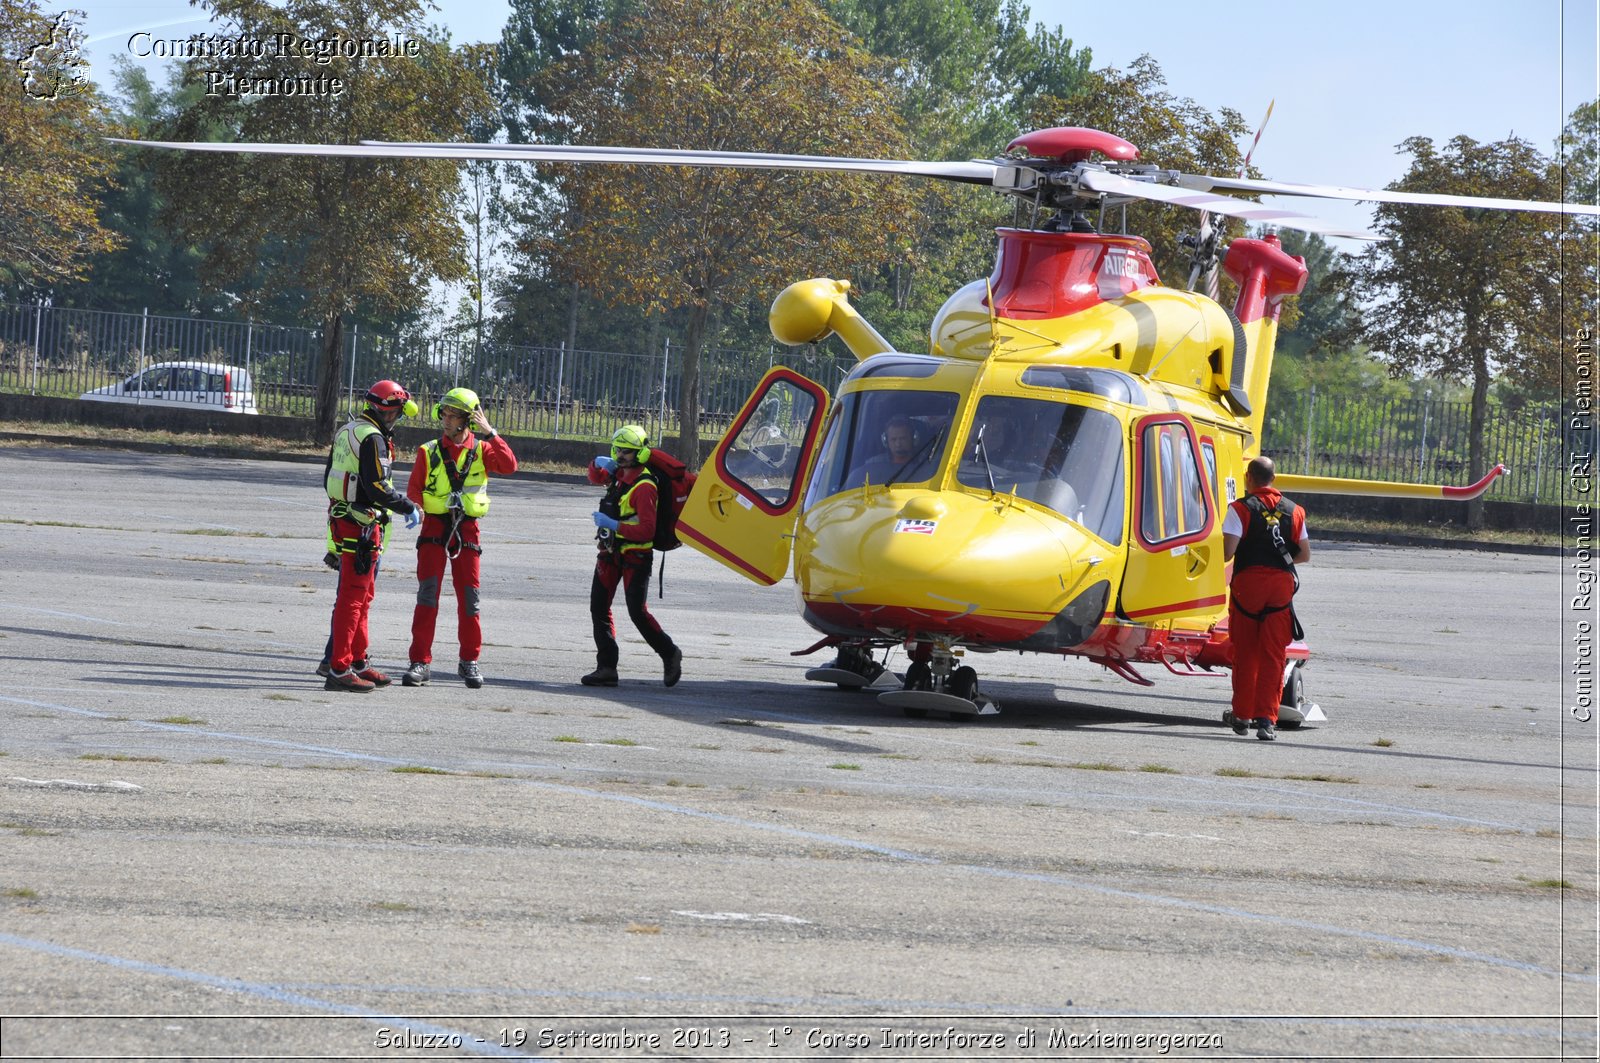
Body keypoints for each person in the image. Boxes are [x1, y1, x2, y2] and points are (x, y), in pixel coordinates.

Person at [400, 387, 518, 690]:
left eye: (452, 415)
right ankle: (420, 662)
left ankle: (469, 661)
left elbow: (509, 465)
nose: (445, 420)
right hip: (434, 530)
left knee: (470, 600)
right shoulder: (428, 450)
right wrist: (415, 508)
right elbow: (415, 489)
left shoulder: (483, 449)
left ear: (468, 420)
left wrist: (491, 433)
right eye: (444, 413)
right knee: (427, 596)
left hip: (467, 529)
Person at [321, 379, 422, 692]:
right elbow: (376, 486)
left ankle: (358, 660)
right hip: (360, 526)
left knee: (362, 598)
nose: (399, 418)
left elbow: (329, 478)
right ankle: (339, 668)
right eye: (398, 413)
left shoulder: (347, 430)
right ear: (388, 412)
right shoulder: (374, 438)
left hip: (345, 520)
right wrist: (408, 506)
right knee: (353, 599)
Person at [580, 424, 683, 688]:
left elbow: (647, 529)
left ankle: (669, 652)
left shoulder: (645, 485)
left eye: (627, 451)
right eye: (618, 450)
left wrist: (613, 525)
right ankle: (606, 668)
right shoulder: (618, 475)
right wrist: (596, 462)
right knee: (598, 608)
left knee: (638, 613)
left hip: (635, 556)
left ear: (638, 453)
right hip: (609, 553)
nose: (621, 455)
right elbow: (595, 476)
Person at [1222, 455, 1311, 741]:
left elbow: (1228, 552)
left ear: (1248, 478)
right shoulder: (1295, 511)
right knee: (1273, 656)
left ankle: (1242, 716)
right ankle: (1266, 721)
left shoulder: (1238, 509)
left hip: (1247, 587)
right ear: (1273, 478)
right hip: (1280, 589)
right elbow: (1304, 554)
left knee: (1245, 653)